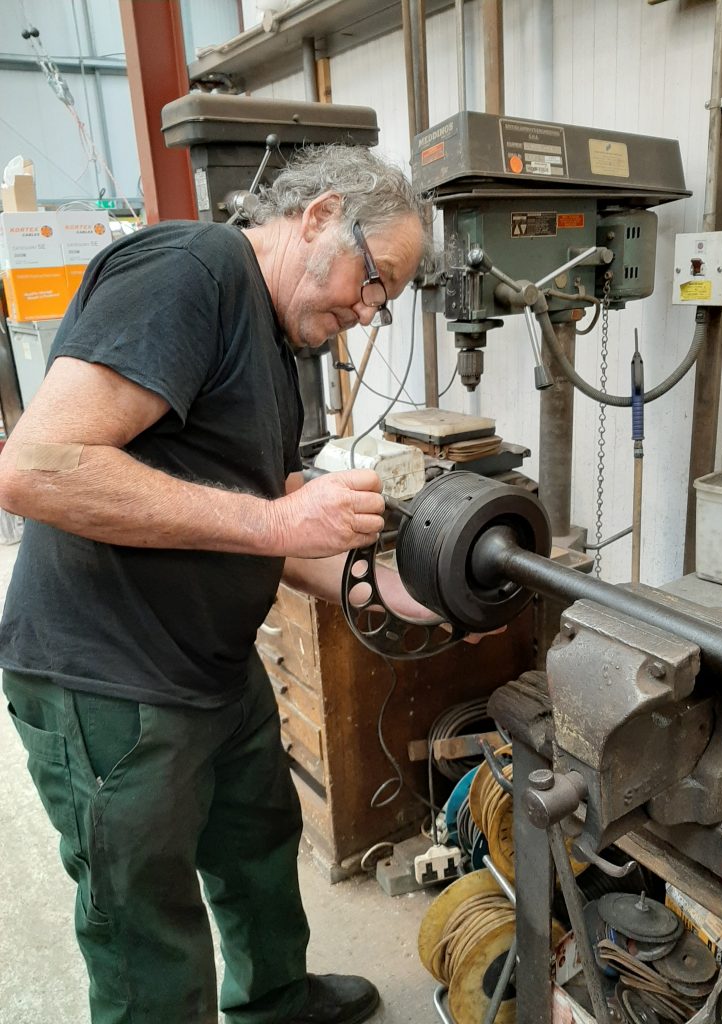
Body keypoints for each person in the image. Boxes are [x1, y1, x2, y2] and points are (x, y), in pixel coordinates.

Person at [0, 144, 439, 1024]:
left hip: (209, 666)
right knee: (143, 923)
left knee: (256, 849)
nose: (367, 309)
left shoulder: (276, 345)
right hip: (110, 680)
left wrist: (388, 593)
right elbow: (36, 468)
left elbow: (264, 512)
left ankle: (274, 1002)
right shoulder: (191, 270)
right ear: (318, 216)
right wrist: (282, 520)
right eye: (374, 279)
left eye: (382, 298)